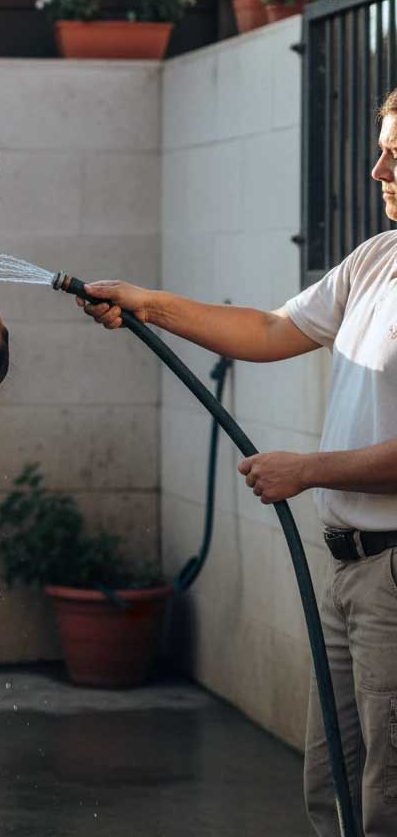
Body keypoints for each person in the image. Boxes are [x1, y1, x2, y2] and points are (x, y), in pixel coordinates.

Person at [77, 87, 397, 837]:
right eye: (382, 148)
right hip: (350, 571)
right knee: (336, 791)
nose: (378, 167)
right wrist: (146, 303)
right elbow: (269, 327)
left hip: (392, 574)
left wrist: (308, 471)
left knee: (387, 803)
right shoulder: (376, 259)